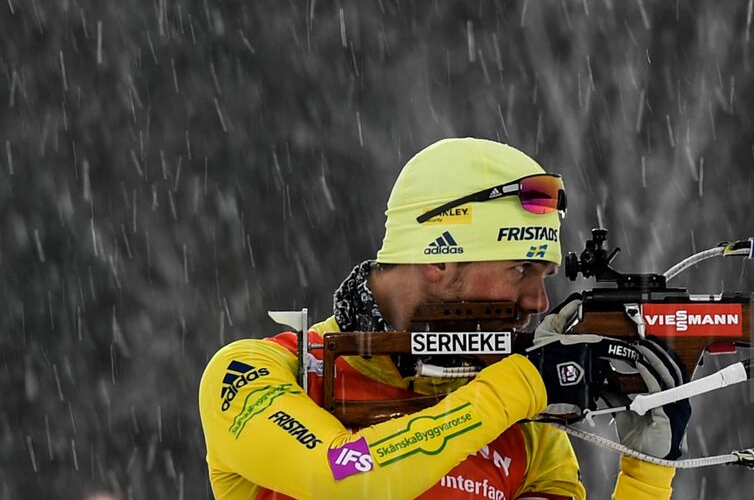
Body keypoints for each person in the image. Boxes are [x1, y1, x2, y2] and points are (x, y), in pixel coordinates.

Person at [199, 138, 688, 499]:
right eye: (520, 269)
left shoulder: (525, 425)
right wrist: (519, 386)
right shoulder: (257, 371)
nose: (539, 301)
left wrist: (646, 475)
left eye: (544, 275)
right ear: (438, 261)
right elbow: (341, 476)